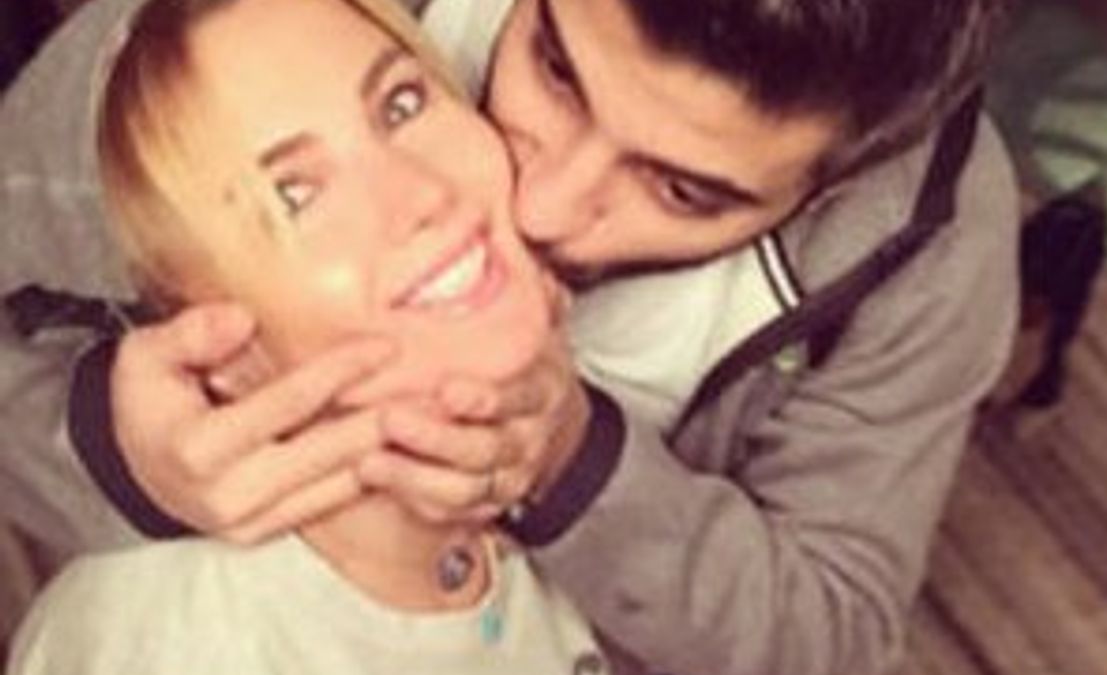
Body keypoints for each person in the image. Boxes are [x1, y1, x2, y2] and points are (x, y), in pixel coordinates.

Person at [0, 1, 1020, 674]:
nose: (537, 206)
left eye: (682, 190)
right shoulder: (215, 43)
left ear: (837, 180)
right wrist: (98, 447)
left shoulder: (924, 242)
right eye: (557, 70)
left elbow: (828, 631)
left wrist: (571, 463)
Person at [6, 0, 603, 672]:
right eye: (293, 195)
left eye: (402, 104)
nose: (424, 194)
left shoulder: (562, 549)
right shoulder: (158, 643)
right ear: (213, 344)